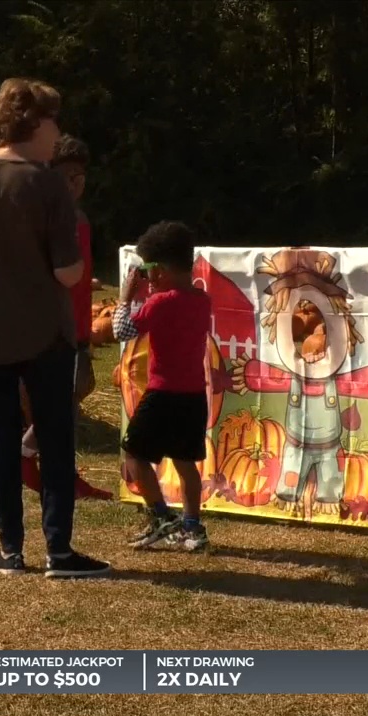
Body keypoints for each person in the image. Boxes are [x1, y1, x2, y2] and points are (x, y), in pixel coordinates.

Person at [0, 78, 110, 579]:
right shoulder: (46, 182)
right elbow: (69, 273)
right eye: (54, 120)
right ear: (32, 123)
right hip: (43, 334)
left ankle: (9, 550)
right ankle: (59, 551)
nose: (59, 132)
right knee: (54, 438)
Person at [20, 134, 112, 501]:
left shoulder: (80, 218)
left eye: (80, 175)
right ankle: (26, 455)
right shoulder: (40, 218)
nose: (76, 183)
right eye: (67, 175)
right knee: (60, 405)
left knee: (72, 401)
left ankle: (63, 475)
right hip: (50, 327)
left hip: (77, 326)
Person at [112, 221, 213, 552]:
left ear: (160, 271)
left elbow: (122, 331)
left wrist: (127, 297)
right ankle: (192, 527)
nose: (147, 276)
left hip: (162, 393)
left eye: (149, 269)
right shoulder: (202, 300)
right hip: (194, 396)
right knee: (186, 465)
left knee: (135, 453)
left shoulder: (160, 303)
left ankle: (160, 517)